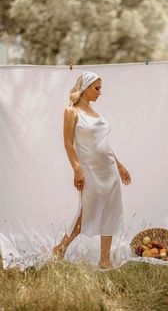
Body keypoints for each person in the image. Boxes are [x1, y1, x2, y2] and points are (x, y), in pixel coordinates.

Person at [53, 71, 131, 269]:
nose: (100, 92)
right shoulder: (71, 112)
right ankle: (60, 248)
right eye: (97, 88)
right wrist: (77, 169)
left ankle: (104, 260)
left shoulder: (96, 114)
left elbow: (104, 144)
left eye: (100, 88)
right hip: (90, 171)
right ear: (85, 88)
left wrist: (119, 166)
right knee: (87, 212)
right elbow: (68, 144)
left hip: (109, 171)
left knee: (111, 211)